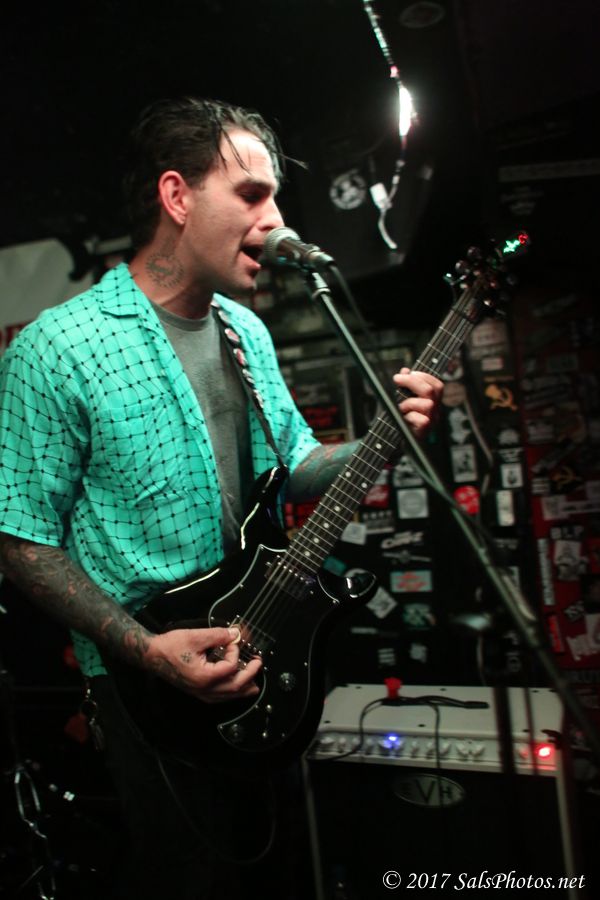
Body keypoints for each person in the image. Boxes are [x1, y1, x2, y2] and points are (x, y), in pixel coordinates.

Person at [0, 97, 442, 899]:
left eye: (274, 198)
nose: (275, 221)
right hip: (147, 688)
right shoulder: (57, 348)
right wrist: (145, 650)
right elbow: (21, 540)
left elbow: (296, 464)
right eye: (251, 195)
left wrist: (383, 436)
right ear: (176, 196)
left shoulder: (247, 331)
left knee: (283, 872)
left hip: (264, 652)